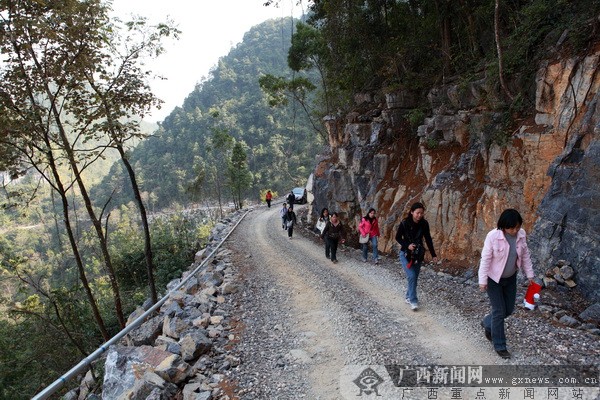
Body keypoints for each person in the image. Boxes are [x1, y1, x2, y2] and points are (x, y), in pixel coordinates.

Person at [478, 209, 535, 359]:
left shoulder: (521, 235)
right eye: (512, 228)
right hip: (493, 280)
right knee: (498, 311)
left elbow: (526, 255)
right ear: (503, 226)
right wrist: (482, 280)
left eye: (517, 227)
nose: (515, 230)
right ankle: (500, 345)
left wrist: (530, 275)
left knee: (508, 310)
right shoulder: (492, 236)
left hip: (510, 278)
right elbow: (485, 259)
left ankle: (487, 322)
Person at [395, 202, 438, 311]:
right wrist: (407, 245)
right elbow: (398, 237)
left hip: (418, 254)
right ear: (412, 212)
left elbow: (428, 239)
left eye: (421, 213)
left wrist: (433, 254)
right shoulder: (404, 223)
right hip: (405, 254)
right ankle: (413, 300)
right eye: (417, 213)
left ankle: (408, 296)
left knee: (414, 277)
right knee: (412, 276)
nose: (419, 215)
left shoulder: (424, 224)